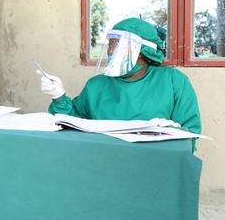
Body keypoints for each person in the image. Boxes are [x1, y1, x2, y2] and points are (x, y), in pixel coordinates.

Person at [39, 17, 201, 146]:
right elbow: (73, 124)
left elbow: (190, 133)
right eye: (109, 45)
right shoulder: (97, 85)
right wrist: (59, 97)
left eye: (116, 46)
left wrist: (170, 132)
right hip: (102, 163)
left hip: (153, 165)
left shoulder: (172, 80)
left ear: (142, 52)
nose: (110, 51)